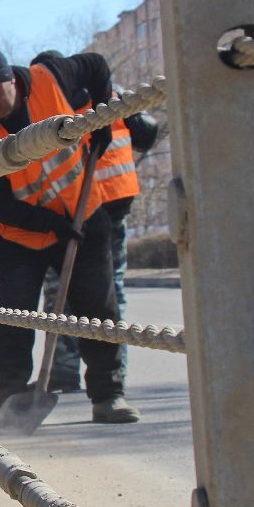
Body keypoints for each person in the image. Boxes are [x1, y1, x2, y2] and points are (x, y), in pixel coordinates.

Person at [0, 46, 139, 423]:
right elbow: (2, 207)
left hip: (84, 213)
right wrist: (54, 225)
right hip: (20, 237)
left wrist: (102, 118)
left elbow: (96, 64)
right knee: (15, 315)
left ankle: (108, 394)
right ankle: (9, 398)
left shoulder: (50, 78)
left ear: (11, 78)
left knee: (97, 309)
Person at [29, 51, 160, 396]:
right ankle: (64, 371)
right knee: (71, 290)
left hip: (107, 205)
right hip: (79, 208)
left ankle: (103, 374)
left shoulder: (103, 101)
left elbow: (146, 133)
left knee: (99, 291)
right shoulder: (97, 101)